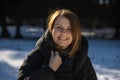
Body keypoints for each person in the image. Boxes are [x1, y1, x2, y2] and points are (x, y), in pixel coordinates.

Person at [18, 9, 97, 80]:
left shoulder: (83, 60)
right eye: (59, 27)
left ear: (75, 33)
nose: (63, 33)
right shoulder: (35, 56)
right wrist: (49, 69)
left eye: (69, 29)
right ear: (51, 29)